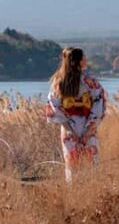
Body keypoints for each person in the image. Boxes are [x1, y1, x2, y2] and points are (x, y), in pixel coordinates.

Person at [45, 47, 106, 182]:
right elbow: (98, 106)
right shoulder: (91, 82)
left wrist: (68, 129)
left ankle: (74, 192)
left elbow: (55, 107)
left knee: (72, 166)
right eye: (83, 58)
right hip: (88, 126)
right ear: (78, 61)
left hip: (68, 127)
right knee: (91, 164)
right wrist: (88, 130)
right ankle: (91, 191)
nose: (86, 60)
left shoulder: (58, 82)